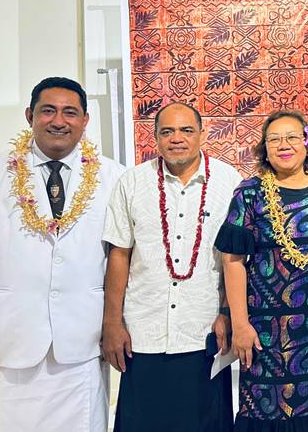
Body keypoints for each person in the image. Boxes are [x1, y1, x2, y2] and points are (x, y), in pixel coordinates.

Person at [0, 77, 124, 431]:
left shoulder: (114, 177)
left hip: (83, 338)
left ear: (85, 120)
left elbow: (120, 259)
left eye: (70, 112)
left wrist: (117, 323)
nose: (59, 120)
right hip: (13, 339)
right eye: (48, 110)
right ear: (30, 115)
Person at [101, 102, 240, 432]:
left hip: (203, 330)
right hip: (142, 332)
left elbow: (234, 259)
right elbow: (118, 255)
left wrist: (228, 311)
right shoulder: (132, 182)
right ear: (156, 137)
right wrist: (111, 323)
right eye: (167, 131)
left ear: (203, 134)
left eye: (186, 130)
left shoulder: (229, 182)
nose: (177, 138)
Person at [215, 110, 308, 431]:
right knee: (267, 411)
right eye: (274, 139)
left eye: (292, 137)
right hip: (265, 331)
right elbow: (232, 261)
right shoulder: (249, 193)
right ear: (264, 149)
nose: (283, 145)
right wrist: (240, 324)